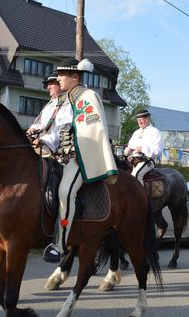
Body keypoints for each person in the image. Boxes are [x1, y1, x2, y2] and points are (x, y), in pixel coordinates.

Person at [54, 57, 118, 255]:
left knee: (66, 191)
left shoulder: (88, 96)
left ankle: (60, 243)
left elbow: (93, 129)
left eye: (61, 75)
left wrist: (76, 151)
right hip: (56, 155)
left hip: (77, 157)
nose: (58, 79)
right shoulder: (63, 100)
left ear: (75, 76)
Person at [26, 71, 68, 262]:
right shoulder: (49, 105)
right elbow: (41, 125)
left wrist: (42, 140)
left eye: (51, 83)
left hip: (59, 154)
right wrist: (33, 131)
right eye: (49, 84)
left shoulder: (67, 105)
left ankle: (58, 237)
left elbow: (60, 132)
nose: (48, 87)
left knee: (57, 193)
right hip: (42, 150)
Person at [123, 109, 163, 185]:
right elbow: (130, 146)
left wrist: (142, 149)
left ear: (148, 119)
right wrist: (128, 150)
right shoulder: (136, 132)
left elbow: (158, 150)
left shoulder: (155, 132)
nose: (140, 122)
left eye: (142, 120)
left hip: (148, 160)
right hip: (133, 160)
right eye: (138, 120)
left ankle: (140, 196)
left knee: (136, 175)